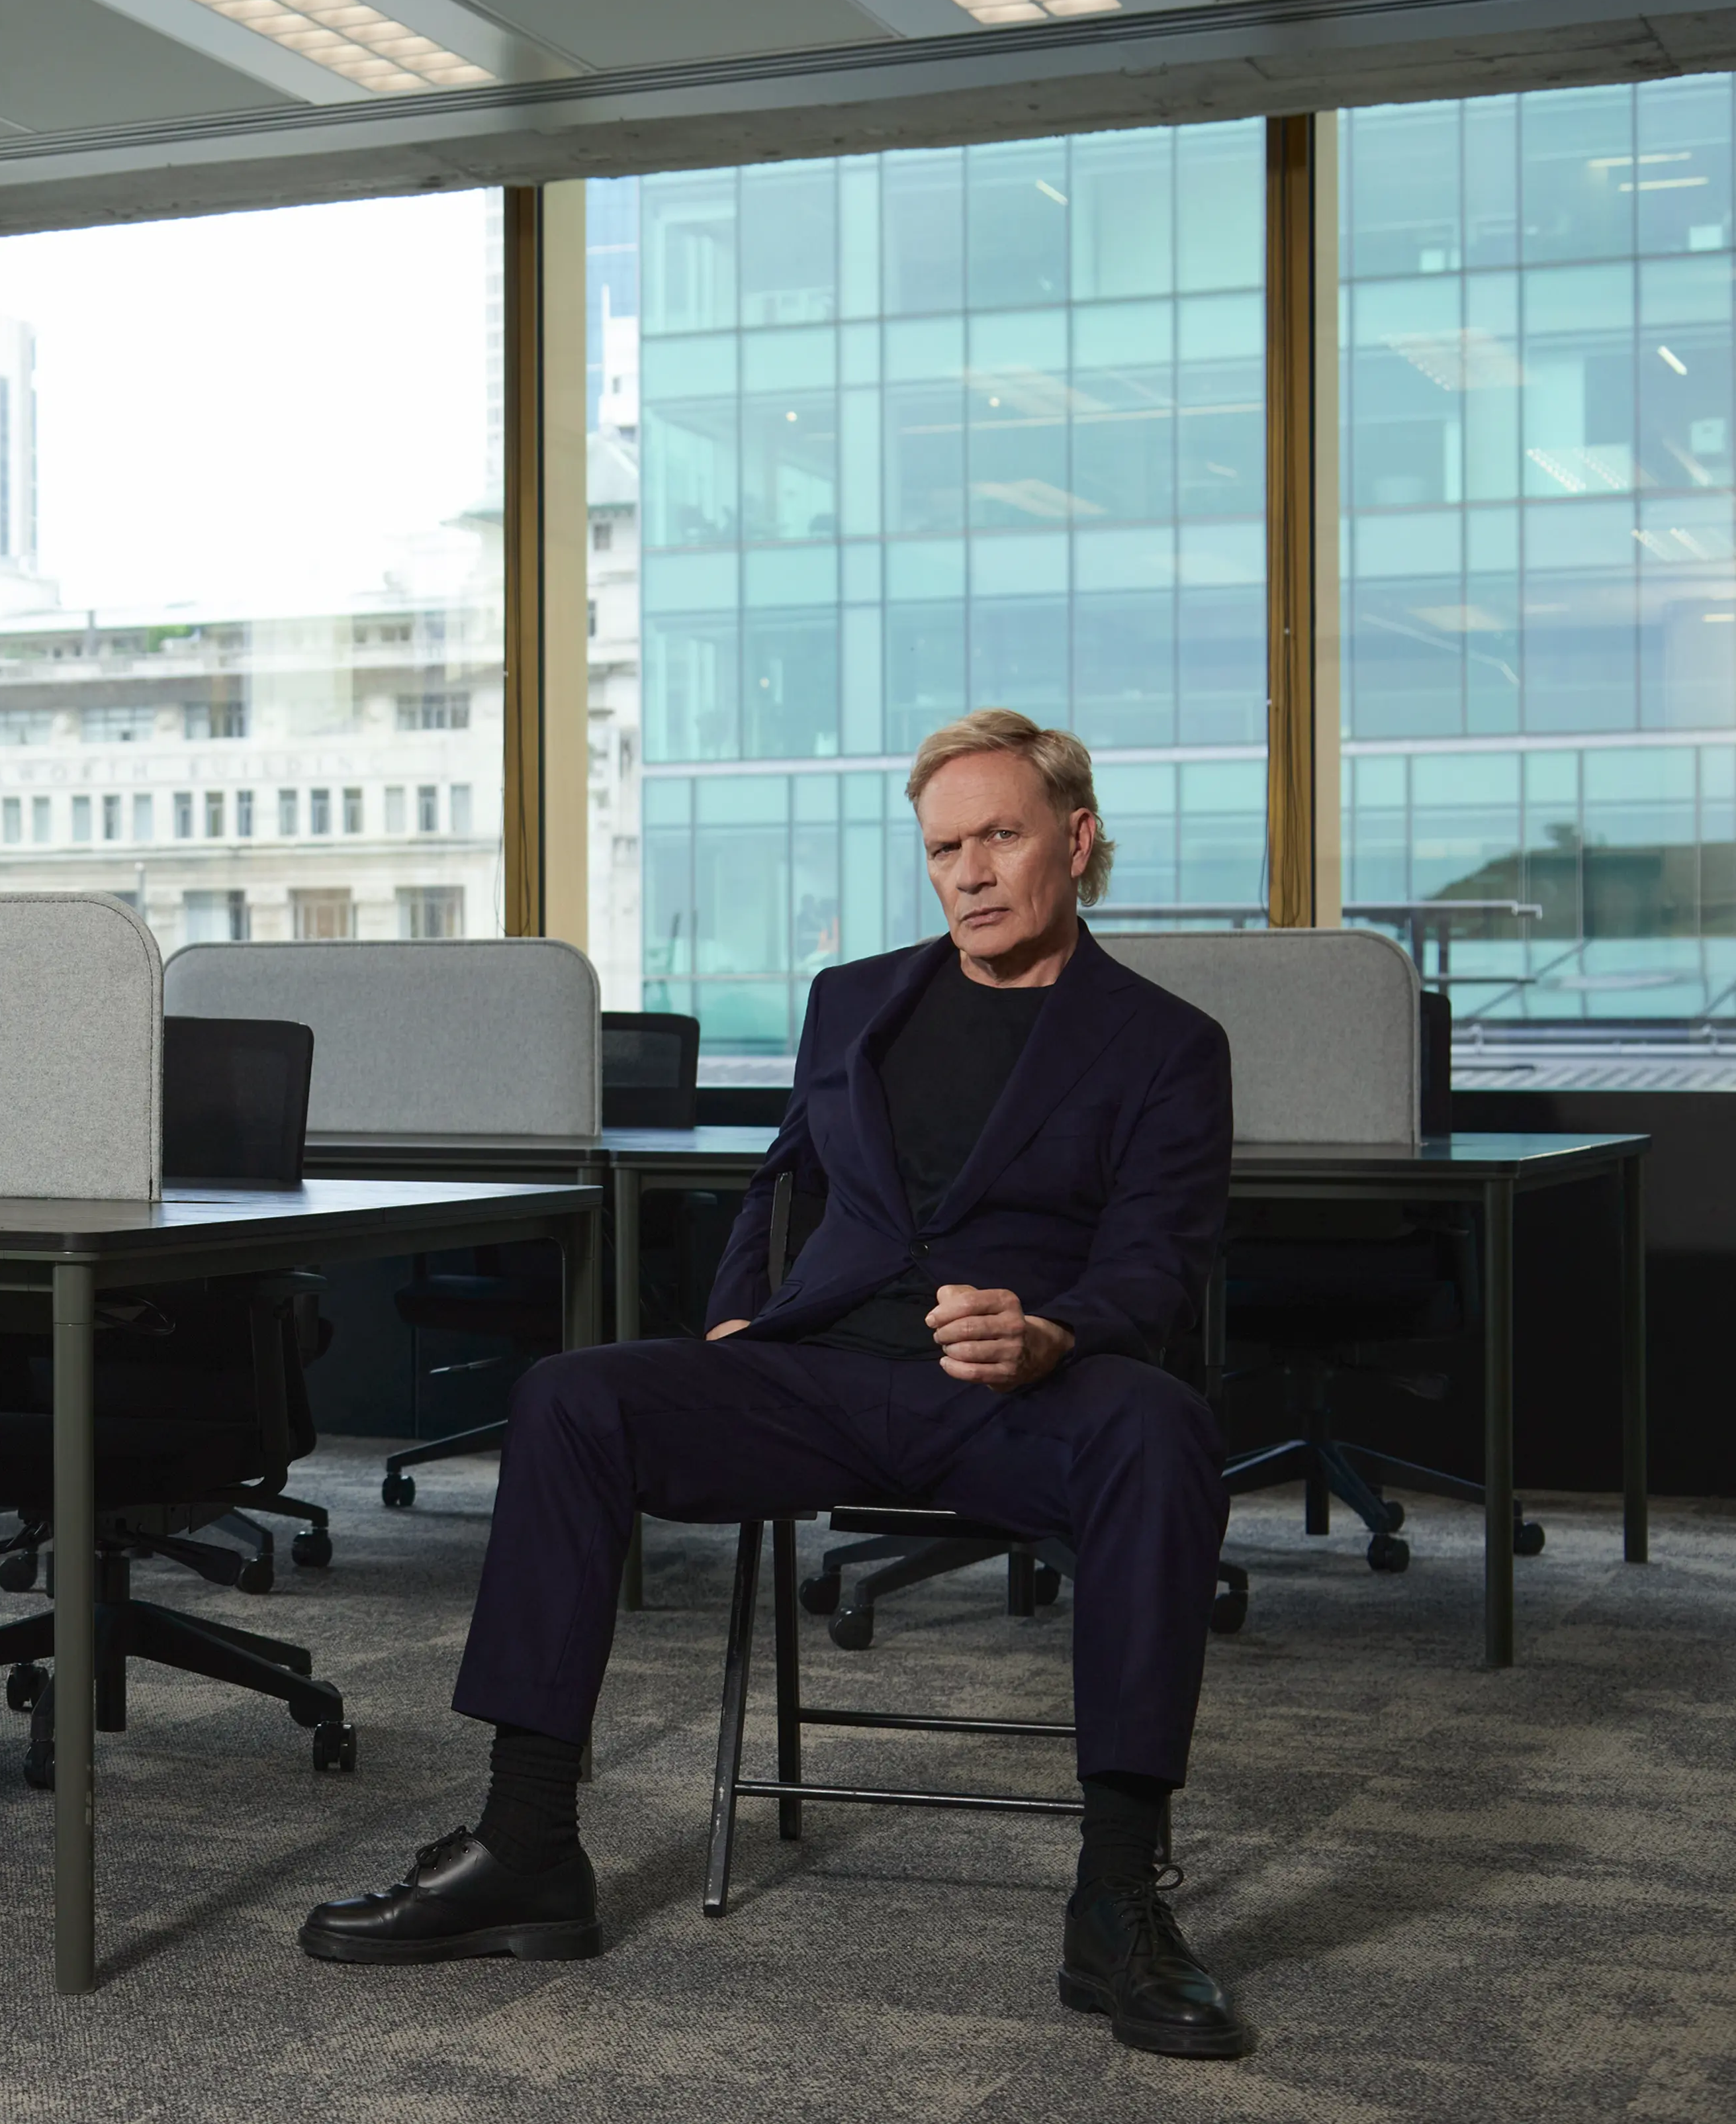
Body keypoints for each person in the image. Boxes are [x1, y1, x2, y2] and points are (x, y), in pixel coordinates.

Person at [300, 708, 1250, 2060]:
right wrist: (739, 1311)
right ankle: (523, 1849)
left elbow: (1159, 1264)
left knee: (1163, 1429)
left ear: (1075, 841)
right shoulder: (857, 999)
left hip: (1016, 1391)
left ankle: (1115, 1899)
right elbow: (784, 1177)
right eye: (942, 848)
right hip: (815, 1371)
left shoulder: (1165, 1042)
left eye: (999, 836)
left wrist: (1049, 1332)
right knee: (572, 1396)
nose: (970, 872)